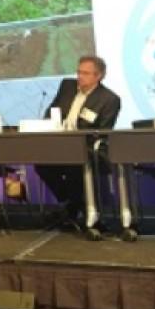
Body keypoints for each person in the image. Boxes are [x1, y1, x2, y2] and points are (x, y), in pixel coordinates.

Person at [35, 55, 121, 224]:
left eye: (86, 73)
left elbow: (103, 132)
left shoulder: (109, 99)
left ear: (99, 76)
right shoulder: (67, 87)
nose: (80, 76)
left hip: (88, 148)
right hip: (60, 145)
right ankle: (74, 203)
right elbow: (50, 113)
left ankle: (73, 208)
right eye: (79, 72)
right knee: (41, 164)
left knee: (75, 165)